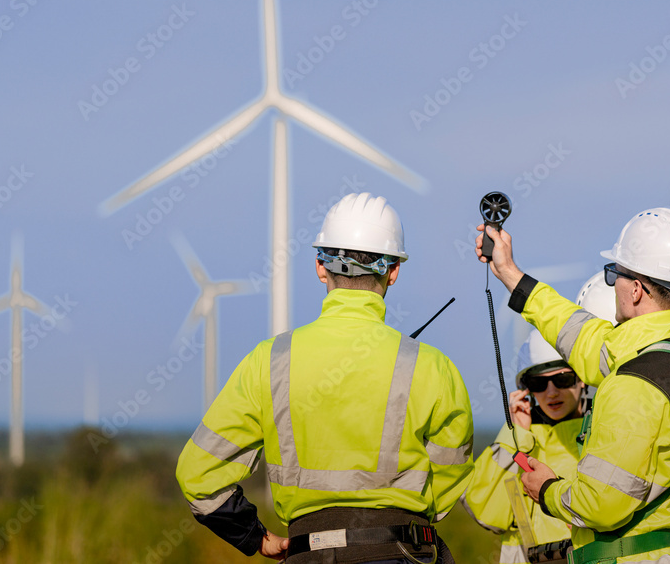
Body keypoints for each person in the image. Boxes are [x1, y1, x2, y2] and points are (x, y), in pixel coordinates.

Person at [176, 192, 474, 562]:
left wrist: (254, 536)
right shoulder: (432, 367)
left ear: (320, 266)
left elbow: (197, 472)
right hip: (401, 550)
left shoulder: (269, 362)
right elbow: (452, 477)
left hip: (307, 553)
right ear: (393, 271)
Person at [476, 208, 670, 564]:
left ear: (635, 289)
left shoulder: (632, 384)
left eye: (613, 273)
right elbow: (578, 332)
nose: (611, 283)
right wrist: (510, 274)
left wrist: (547, 490)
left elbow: (600, 505)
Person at [461, 276, 614, 564]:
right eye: (538, 384)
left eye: (562, 379)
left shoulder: (602, 433)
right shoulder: (521, 443)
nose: (552, 392)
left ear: (582, 379)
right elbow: (486, 511)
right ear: (526, 390)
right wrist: (516, 435)